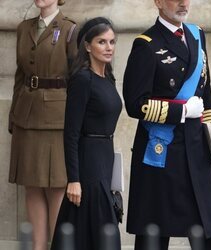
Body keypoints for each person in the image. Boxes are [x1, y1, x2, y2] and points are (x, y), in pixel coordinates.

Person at [123, 0, 211, 249]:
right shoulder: (146, 45)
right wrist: (181, 111)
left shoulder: (197, 35)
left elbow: (206, 93)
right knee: (155, 233)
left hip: (196, 149)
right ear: (158, 2)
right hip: (162, 152)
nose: (183, 3)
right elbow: (135, 104)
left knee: (208, 232)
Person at [8, 0, 78, 249]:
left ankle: (57, 245)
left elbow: (77, 77)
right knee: (32, 183)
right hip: (26, 114)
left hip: (57, 118)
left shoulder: (70, 29)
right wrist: (13, 115)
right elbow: (20, 75)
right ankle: (37, 246)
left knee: (57, 184)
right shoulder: (23, 27)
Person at [50, 17, 122, 250]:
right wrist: (74, 180)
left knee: (96, 233)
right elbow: (71, 133)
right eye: (102, 42)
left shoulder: (108, 78)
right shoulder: (83, 80)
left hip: (105, 160)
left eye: (112, 42)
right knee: (97, 232)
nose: (109, 47)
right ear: (88, 46)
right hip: (88, 166)